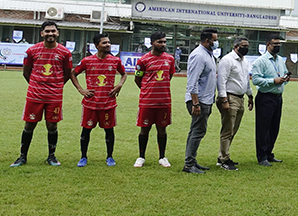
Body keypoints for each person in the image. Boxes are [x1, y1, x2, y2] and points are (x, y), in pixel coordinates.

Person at [10, 21, 73, 167]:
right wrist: (36, 85)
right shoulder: (32, 51)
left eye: (53, 31)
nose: (50, 34)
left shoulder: (65, 52)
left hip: (54, 96)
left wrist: (56, 86)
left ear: (57, 33)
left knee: (52, 126)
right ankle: (22, 157)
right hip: (35, 95)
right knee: (29, 125)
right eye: (47, 31)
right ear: (42, 33)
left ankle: (51, 156)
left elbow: (67, 73)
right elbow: (26, 72)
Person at [69, 33, 126, 167]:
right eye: (104, 43)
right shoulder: (87, 61)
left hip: (108, 103)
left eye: (109, 42)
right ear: (96, 46)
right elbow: (73, 74)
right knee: (86, 130)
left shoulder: (115, 61)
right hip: (91, 103)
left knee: (109, 130)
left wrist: (119, 85)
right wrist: (81, 90)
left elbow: (123, 74)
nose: (108, 45)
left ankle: (110, 157)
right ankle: (83, 157)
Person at [134, 31, 175, 167]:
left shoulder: (170, 59)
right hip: (147, 101)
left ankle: (162, 157)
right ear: (152, 43)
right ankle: (141, 157)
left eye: (164, 42)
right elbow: (138, 79)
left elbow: (169, 76)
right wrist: (148, 90)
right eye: (160, 42)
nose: (163, 44)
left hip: (164, 101)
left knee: (162, 129)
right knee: (144, 128)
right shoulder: (143, 60)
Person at [182, 28, 218, 174]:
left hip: (205, 100)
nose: (216, 43)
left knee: (196, 130)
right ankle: (189, 164)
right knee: (197, 131)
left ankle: (192, 160)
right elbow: (192, 81)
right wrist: (195, 103)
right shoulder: (199, 56)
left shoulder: (208, 55)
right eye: (214, 40)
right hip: (199, 100)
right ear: (206, 40)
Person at [216, 36, 254, 171]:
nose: (246, 48)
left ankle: (222, 154)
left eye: (247, 46)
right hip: (230, 97)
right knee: (227, 129)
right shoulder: (227, 60)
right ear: (235, 46)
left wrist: (250, 95)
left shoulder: (244, 61)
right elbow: (221, 81)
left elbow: (245, 81)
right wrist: (224, 100)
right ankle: (224, 159)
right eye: (243, 46)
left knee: (233, 129)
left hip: (240, 98)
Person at [251, 35, 290, 166]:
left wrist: (285, 78)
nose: (278, 46)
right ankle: (261, 156)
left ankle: (269, 153)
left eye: (279, 44)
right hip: (265, 97)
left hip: (278, 97)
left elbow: (283, 73)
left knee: (274, 127)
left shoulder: (280, 60)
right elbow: (256, 80)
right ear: (268, 45)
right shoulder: (260, 61)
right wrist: (273, 81)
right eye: (275, 44)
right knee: (263, 128)